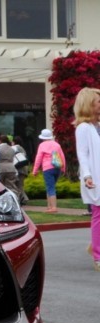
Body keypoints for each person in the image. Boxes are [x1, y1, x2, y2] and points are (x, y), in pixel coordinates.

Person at [71, 87, 100, 271]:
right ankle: (98, 255)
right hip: (95, 178)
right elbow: (82, 154)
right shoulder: (83, 128)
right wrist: (87, 175)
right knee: (98, 214)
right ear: (89, 104)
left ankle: (93, 246)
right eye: (97, 101)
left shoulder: (98, 126)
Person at [31, 128, 67, 213]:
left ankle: (53, 207)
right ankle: (49, 206)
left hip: (47, 168)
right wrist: (63, 168)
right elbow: (62, 156)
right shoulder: (56, 144)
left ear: (42, 137)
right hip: (57, 167)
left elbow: (38, 158)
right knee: (50, 186)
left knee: (50, 187)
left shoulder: (42, 145)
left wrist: (35, 170)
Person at [0, 134, 21, 198]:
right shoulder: (12, 149)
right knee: (11, 186)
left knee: (1, 187)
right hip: (11, 168)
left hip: (1, 169)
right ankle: (15, 199)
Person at [12, 135, 30, 205]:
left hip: (19, 169)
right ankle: (24, 198)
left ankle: (23, 199)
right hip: (24, 169)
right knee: (20, 185)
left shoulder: (15, 147)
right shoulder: (22, 148)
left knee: (18, 185)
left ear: (14, 142)